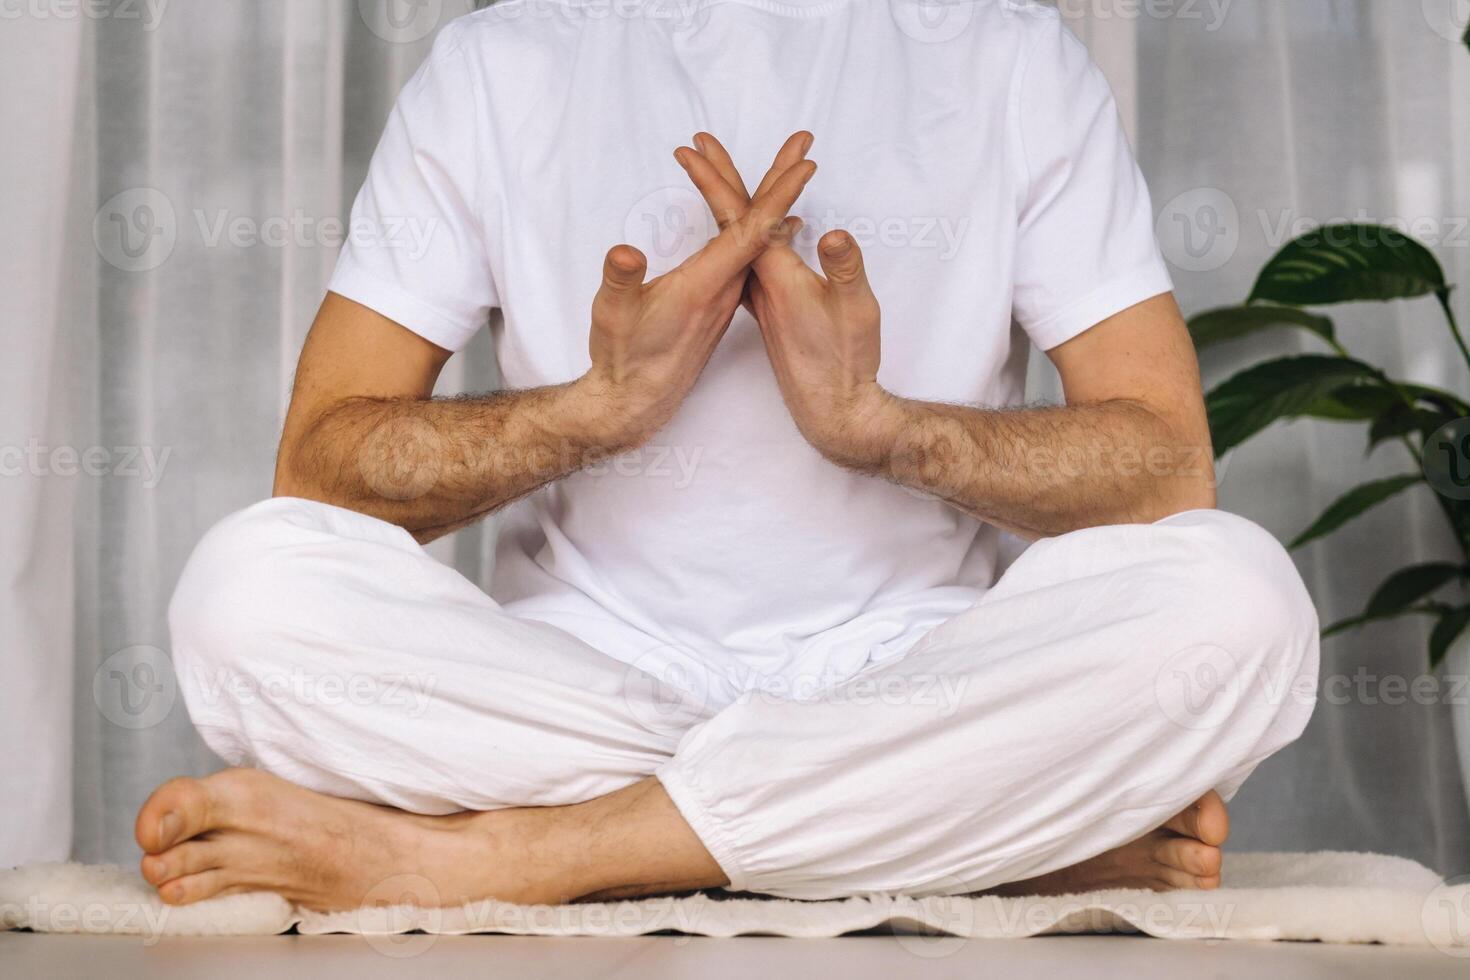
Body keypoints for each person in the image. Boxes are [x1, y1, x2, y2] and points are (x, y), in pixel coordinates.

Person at [134, 0, 1319, 910]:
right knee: (244, 593)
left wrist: (883, 427)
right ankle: (953, 825)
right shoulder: (502, 64)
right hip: (577, 684)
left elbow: (1167, 471)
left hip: (913, 675)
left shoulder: (1014, 58)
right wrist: (594, 407)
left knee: (1241, 601)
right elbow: (324, 468)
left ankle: (508, 856)